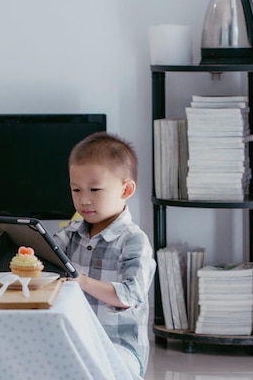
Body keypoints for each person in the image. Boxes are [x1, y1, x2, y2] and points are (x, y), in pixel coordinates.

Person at [53, 131, 156, 379]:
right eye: (76, 190)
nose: (84, 200)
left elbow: (131, 295)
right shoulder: (72, 233)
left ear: (126, 189)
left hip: (119, 348)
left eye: (95, 189)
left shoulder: (134, 240)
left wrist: (83, 281)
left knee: (96, 370)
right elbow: (44, 253)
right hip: (78, 339)